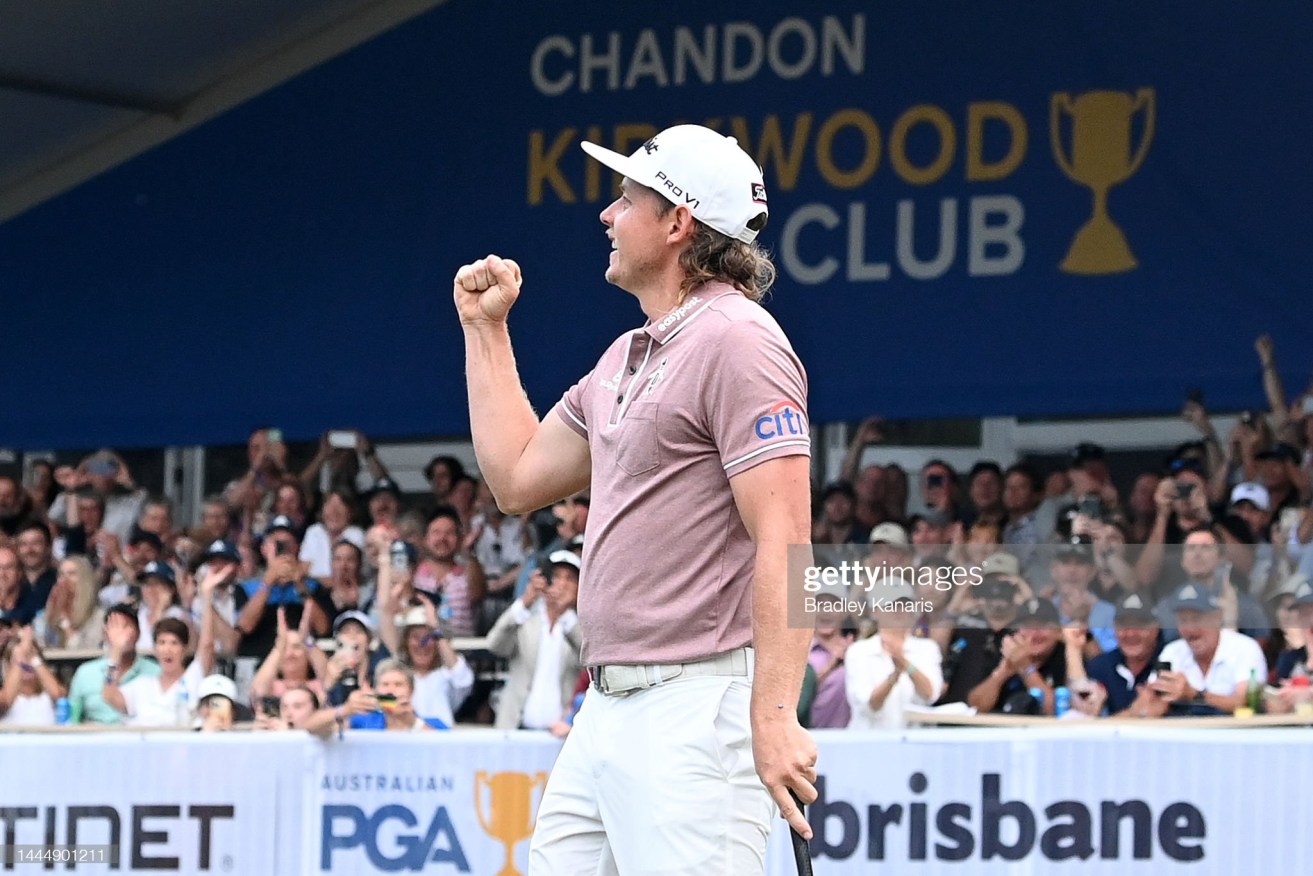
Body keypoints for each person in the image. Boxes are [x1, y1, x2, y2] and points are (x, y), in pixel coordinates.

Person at [454, 123, 817, 872]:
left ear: (678, 223)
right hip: (607, 707)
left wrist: (776, 713)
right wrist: (485, 333)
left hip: (696, 710)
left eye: (625, 199)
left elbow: (786, 538)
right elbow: (517, 479)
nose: (606, 216)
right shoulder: (626, 352)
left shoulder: (740, 341)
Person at [485, 550, 585, 730]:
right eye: (555, 576)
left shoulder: (582, 627)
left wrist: (565, 614)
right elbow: (494, 645)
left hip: (563, 733)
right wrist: (525, 601)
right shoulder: (525, 620)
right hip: (516, 728)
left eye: (570, 578)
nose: (562, 584)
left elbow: (588, 658)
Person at [1152, 583, 1267, 715]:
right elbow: (1152, 701)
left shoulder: (1245, 648)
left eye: (1196, 619)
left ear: (1217, 618)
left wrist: (1194, 695)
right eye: (1183, 620)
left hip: (1233, 732)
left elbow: (1246, 703)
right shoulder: (1172, 652)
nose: (1190, 629)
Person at [844, 594, 943, 729]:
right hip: (869, 740)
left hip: (915, 740)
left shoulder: (928, 648)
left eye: (904, 606)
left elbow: (931, 695)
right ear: (874, 611)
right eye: (889, 605)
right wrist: (894, 676)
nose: (898, 611)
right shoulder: (858, 651)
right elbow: (869, 705)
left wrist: (905, 664)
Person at [1071, 593, 1164, 716]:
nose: (1131, 634)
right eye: (1123, 625)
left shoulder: (1171, 661)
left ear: (1155, 627)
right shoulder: (1100, 666)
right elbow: (1085, 721)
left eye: (1139, 626)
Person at [66, 604, 161, 724]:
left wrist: (117, 650)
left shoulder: (156, 672)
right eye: (115, 628)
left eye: (125, 627)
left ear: (138, 633)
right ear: (105, 634)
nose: (120, 635)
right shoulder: (85, 672)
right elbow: (72, 719)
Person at [0, 625, 66, 726]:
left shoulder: (49, 693)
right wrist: (19, 658)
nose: (26, 664)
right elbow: (6, 701)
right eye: (22, 658)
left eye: (29, 657)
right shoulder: (4, 695)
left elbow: (58, 696)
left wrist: (34, 658)